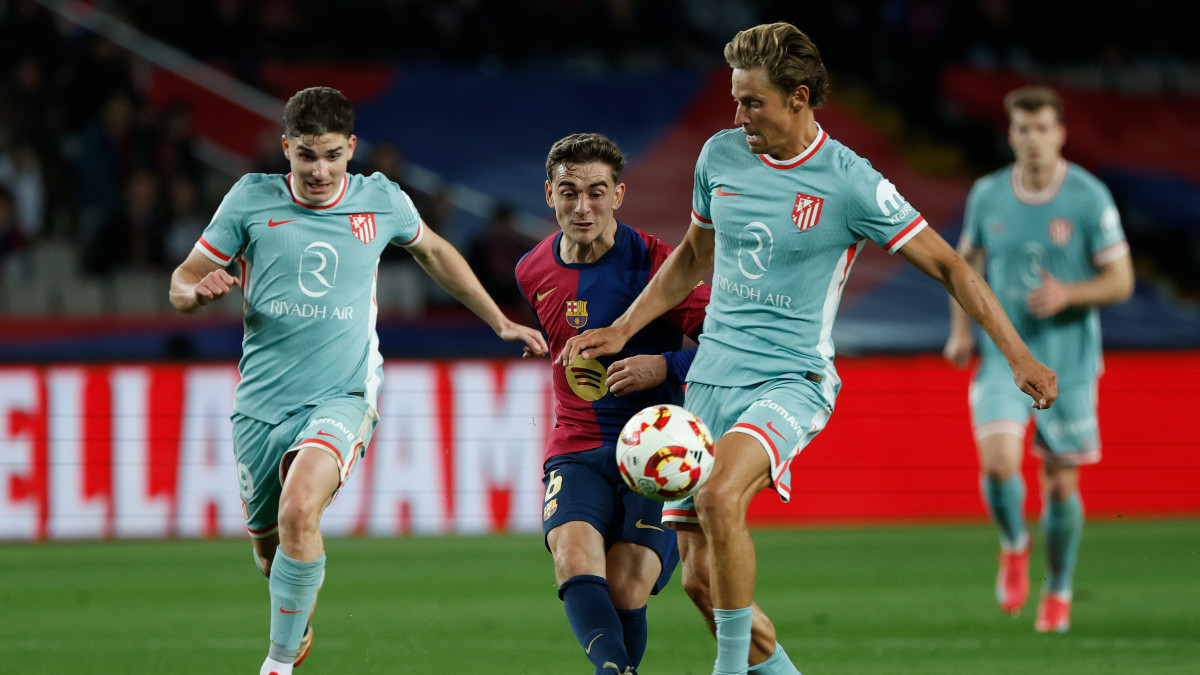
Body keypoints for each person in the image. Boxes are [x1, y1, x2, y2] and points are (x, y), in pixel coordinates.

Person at [560, 23, 1058, 675]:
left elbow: (950, 266)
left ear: (799, 98)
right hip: (710, 378)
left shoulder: (850, 181)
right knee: (701, 582)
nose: (739, 115)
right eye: (736, 100)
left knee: (719, 498)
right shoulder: (720, 157)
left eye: (752, 102)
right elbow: (692, 255)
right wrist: (624, 327)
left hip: (791, 380)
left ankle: (729, 670)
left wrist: (1017, 354)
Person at [167, 86, 547, 675]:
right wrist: (197, 293)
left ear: (351, 148)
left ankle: (278, 662)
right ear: (286, 149)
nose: (320, 171)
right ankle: (297, 622)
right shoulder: (249, 201)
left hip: (342, 395)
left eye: (332, 156)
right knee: (272, 555)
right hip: (261, 407)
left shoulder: (380, 201)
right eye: (306, 157)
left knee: (299, 510)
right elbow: (182, 282)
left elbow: (437, 253)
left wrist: (499, 319)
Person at [515, 132, 709, 675]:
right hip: (576, 446)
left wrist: (664, 367)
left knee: (626, 586)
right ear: (548, 194)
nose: (583, 207)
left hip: (656, 451)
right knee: (572, 559)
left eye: (596, 192)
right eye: (569, 191)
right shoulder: (531, 271)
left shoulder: (660, 266)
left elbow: (728, 347)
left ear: (619, 195)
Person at [942, 85, 1134, 633]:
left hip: (1070, 361)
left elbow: (1121, 281)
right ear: (1012, 134)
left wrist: (1070, 294)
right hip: (1005, 357)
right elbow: (964, 268)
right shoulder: (988, 195)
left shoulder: (1089, 197)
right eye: (1023, 129)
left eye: (1043, 128)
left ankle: (1061, 588)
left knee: (1059, 485)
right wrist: (960, 332)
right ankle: (1013, 544)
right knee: (999, 463)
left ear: (1060, 134)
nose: (1033, 139)